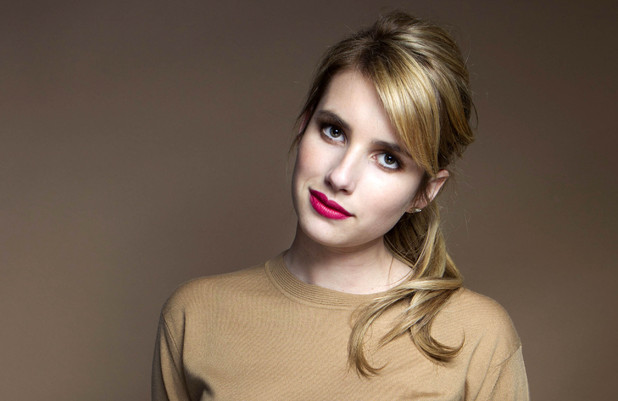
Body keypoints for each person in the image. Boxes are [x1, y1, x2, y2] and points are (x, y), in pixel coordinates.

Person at [152, 11, 529, 400]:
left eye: (388, 159)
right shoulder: (195, 316)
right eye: (334, 131)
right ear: (304, 124)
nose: (340, 176)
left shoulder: (478, 338)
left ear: (425, 193)